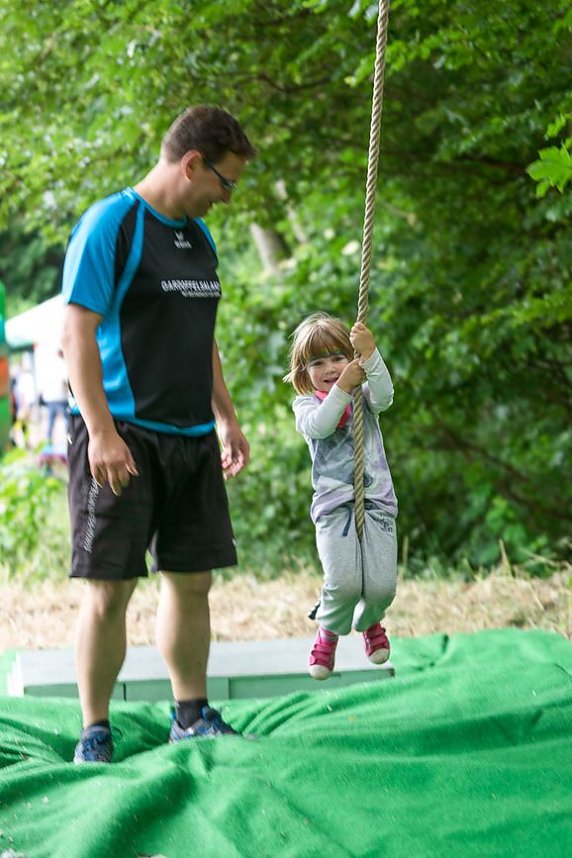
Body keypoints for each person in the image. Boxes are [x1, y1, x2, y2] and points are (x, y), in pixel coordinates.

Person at [60, 105, 256, 763]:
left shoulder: (199, 237)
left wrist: (225, 416)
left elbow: (201, 338)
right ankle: (95, 729)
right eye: (225, 182)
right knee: (110, 588)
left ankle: (191, 714)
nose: (226, 197)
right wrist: (101, 433)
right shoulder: (111, 224)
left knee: (191, 581)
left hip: (192, 435)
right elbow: (75, 333)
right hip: (123, 437)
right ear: (192, 163)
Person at [285, 313, 398, 679]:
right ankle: (329, 631)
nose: (331, 368)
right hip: (335, 507)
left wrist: (371, 355)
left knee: (381, 585)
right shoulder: (305, 405)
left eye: (338, 357)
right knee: (345, 582)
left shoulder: (363, 395)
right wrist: (343, 386)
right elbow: (322, 425)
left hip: (376, 499)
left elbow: (385, 396)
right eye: (318, 363)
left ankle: (370, 620)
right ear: (304, 371)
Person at [39, 348, 69, 447]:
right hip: (61, 397)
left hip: (50, 398)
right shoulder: (63, 364)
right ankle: (70, 442)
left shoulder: (48, 365)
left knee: (51, 422)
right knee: (67, 421)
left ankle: (48, 443)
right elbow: (65, 380)